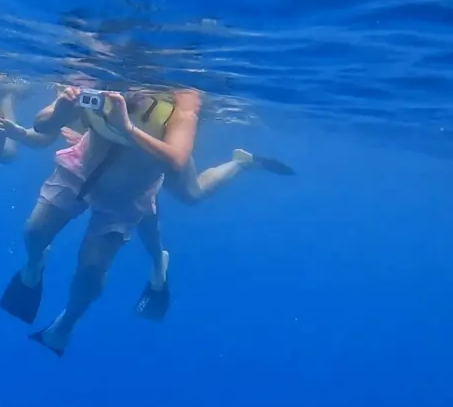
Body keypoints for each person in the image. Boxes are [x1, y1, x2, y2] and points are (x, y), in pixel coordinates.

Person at [0, 86, 202, 356]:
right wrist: (60, 111)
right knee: (34, 231)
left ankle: (65, 325)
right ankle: (33, 267)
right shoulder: (94, 77)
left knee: (92, 268)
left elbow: (177, 160)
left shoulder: (182, 99)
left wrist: (127, 128)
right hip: (79, 169)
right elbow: (42, 124)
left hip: (128, 192)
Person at [52, 126, 293, 323]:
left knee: (192, 194)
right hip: (132, 155)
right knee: (144, 199)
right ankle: (159, 261)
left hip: (162, 145)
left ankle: (241, 163)